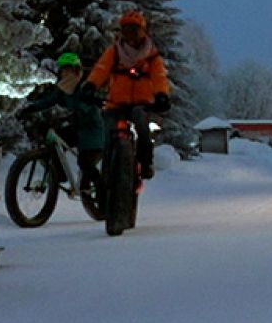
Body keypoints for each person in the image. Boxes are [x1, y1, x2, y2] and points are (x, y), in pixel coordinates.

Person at [86, 10, 170, 180]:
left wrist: (162, 95)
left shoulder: (152, 56)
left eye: (134, 29)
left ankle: (145, 163)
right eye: (126, 29)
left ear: (143, 31)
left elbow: (159, 77)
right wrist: (91, 85)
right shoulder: (114, 52)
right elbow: (101, 70)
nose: (130, 34)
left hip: (141, 103)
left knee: (142, 126)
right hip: (115, 103)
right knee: (108, 132)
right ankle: (107, 170)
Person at [21, 52, 106, 196]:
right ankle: (59, 174)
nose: (65, 73)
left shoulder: (85, 86)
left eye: (69, 70)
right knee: (53, 141)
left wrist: (91, 101)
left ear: (76, 70)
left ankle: (103, 194)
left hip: (93, 131)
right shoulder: (63, 88)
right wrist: (30, 108)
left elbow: (92, 102)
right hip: (78, 128)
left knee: (86, 164)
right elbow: (49, 101)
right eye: (63, 70)